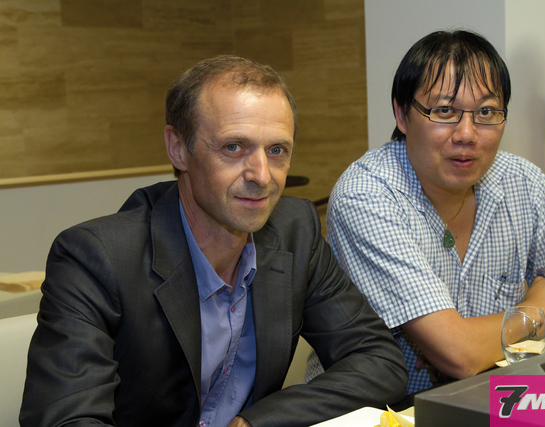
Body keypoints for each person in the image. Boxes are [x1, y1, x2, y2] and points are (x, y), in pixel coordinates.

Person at [20, 55, 408, 427]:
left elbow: (379, 360)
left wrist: (260, 420)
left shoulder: (295, 231)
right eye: (233, 147)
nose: (262, 175)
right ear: (178, 149)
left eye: (276, 151)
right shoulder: (95, 258)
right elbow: (65, 420)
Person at [306, 30, 545, 394]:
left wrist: (490, 346)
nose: (467, 134)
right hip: (377, 407)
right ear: (402, 114)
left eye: (486, 112)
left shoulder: (522, 182)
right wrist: (537, 309)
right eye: (444, 111)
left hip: (489, 395)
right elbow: (460, 355)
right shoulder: (368, 195)